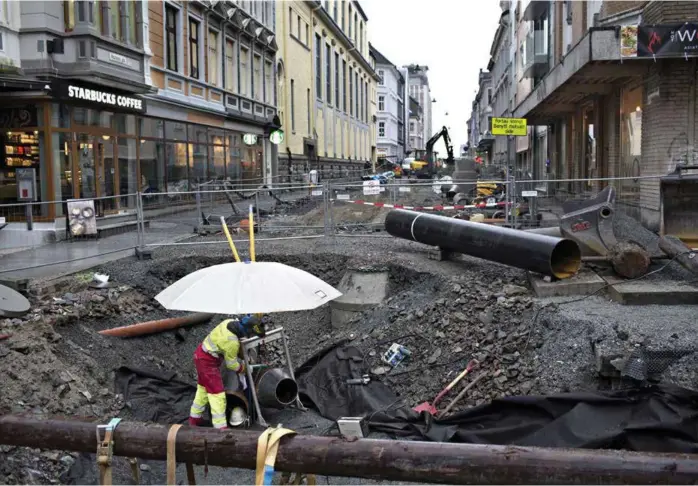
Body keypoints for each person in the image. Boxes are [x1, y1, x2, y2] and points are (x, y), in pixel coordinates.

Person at [189, 314, 266, 429]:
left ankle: (194, 419)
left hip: (201, 355)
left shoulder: (229, 322)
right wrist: (244, 368)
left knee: (203, 390)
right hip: (207, 362)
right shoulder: (232, 342)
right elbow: (231, 365)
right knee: (217, 394)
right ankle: (220, 428)